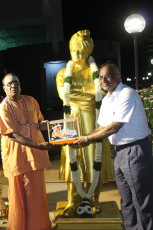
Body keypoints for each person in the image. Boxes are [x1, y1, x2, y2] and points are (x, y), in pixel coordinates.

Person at [73, 62, 153, 230]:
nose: (104, 80)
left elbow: (114, 127)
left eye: (108, 76)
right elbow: (102, 127)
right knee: (126, 199)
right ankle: (131, 227)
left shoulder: (127, 94)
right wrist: (83, 137)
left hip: (134, 149)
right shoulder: (108, 99)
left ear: (118, 76)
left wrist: (86, 140)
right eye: (101, 77)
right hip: (119, 151)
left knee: (141, 199)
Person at [56, 30, 114, 216]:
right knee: (74, 160)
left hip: (93, 121)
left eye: (81, 50)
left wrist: (78, 91)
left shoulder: (97, 72)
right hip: (71, 120)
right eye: (74, 49)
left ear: (89, 51)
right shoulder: (63, 73)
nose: (77, 53)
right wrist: (90, 91)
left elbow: (104, 93)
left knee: (93, 160)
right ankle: (73, 202)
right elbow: (65, 95)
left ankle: (94, 200)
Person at [0, 73, 54, 230]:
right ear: (4, 88)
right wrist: (39, 145)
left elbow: (39, 122)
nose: (13, 85)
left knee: (37, 192)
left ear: (20, 85)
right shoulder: (3, 108)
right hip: (18, 156)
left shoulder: (31, 100)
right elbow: (13, 135)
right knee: (22, 195)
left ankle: (41, 225)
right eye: (9, 84)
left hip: (36, 155)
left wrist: (53, 127)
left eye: (16, 82)